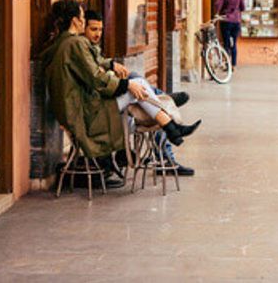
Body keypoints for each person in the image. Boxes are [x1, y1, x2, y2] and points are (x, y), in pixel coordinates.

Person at [41, 0, 201, 157]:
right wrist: (126, 85)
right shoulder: (74, 43)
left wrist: (113, 69)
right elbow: (96, 77)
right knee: (136, 85)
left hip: (78, 109)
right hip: (86, 113)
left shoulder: (62, 43)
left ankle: (165, 124)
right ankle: (170, 124)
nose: (83, 20)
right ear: (75, 20)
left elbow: (91, 67)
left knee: (136, 92)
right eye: (82, 16)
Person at [83, 10, 194, 176]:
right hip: (98, 110)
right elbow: (96, 79)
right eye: (93, 29)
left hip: (108, 103)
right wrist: (120, 79)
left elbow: (100, 67)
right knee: (141, 90)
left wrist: (111, 65)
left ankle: (160, 101)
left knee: (143, 95)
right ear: (80, 26)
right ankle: (166, 111)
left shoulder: (91, 48)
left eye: (100, 29)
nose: (98, 34)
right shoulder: (80, 48)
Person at [214, 0, 245, 68]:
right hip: (236, 21)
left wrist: (217, 13)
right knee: (234, 43)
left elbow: (218, 5)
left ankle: (227, 64)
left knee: (226, 43)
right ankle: (233, 65)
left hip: (226, 21)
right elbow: (243, 7)